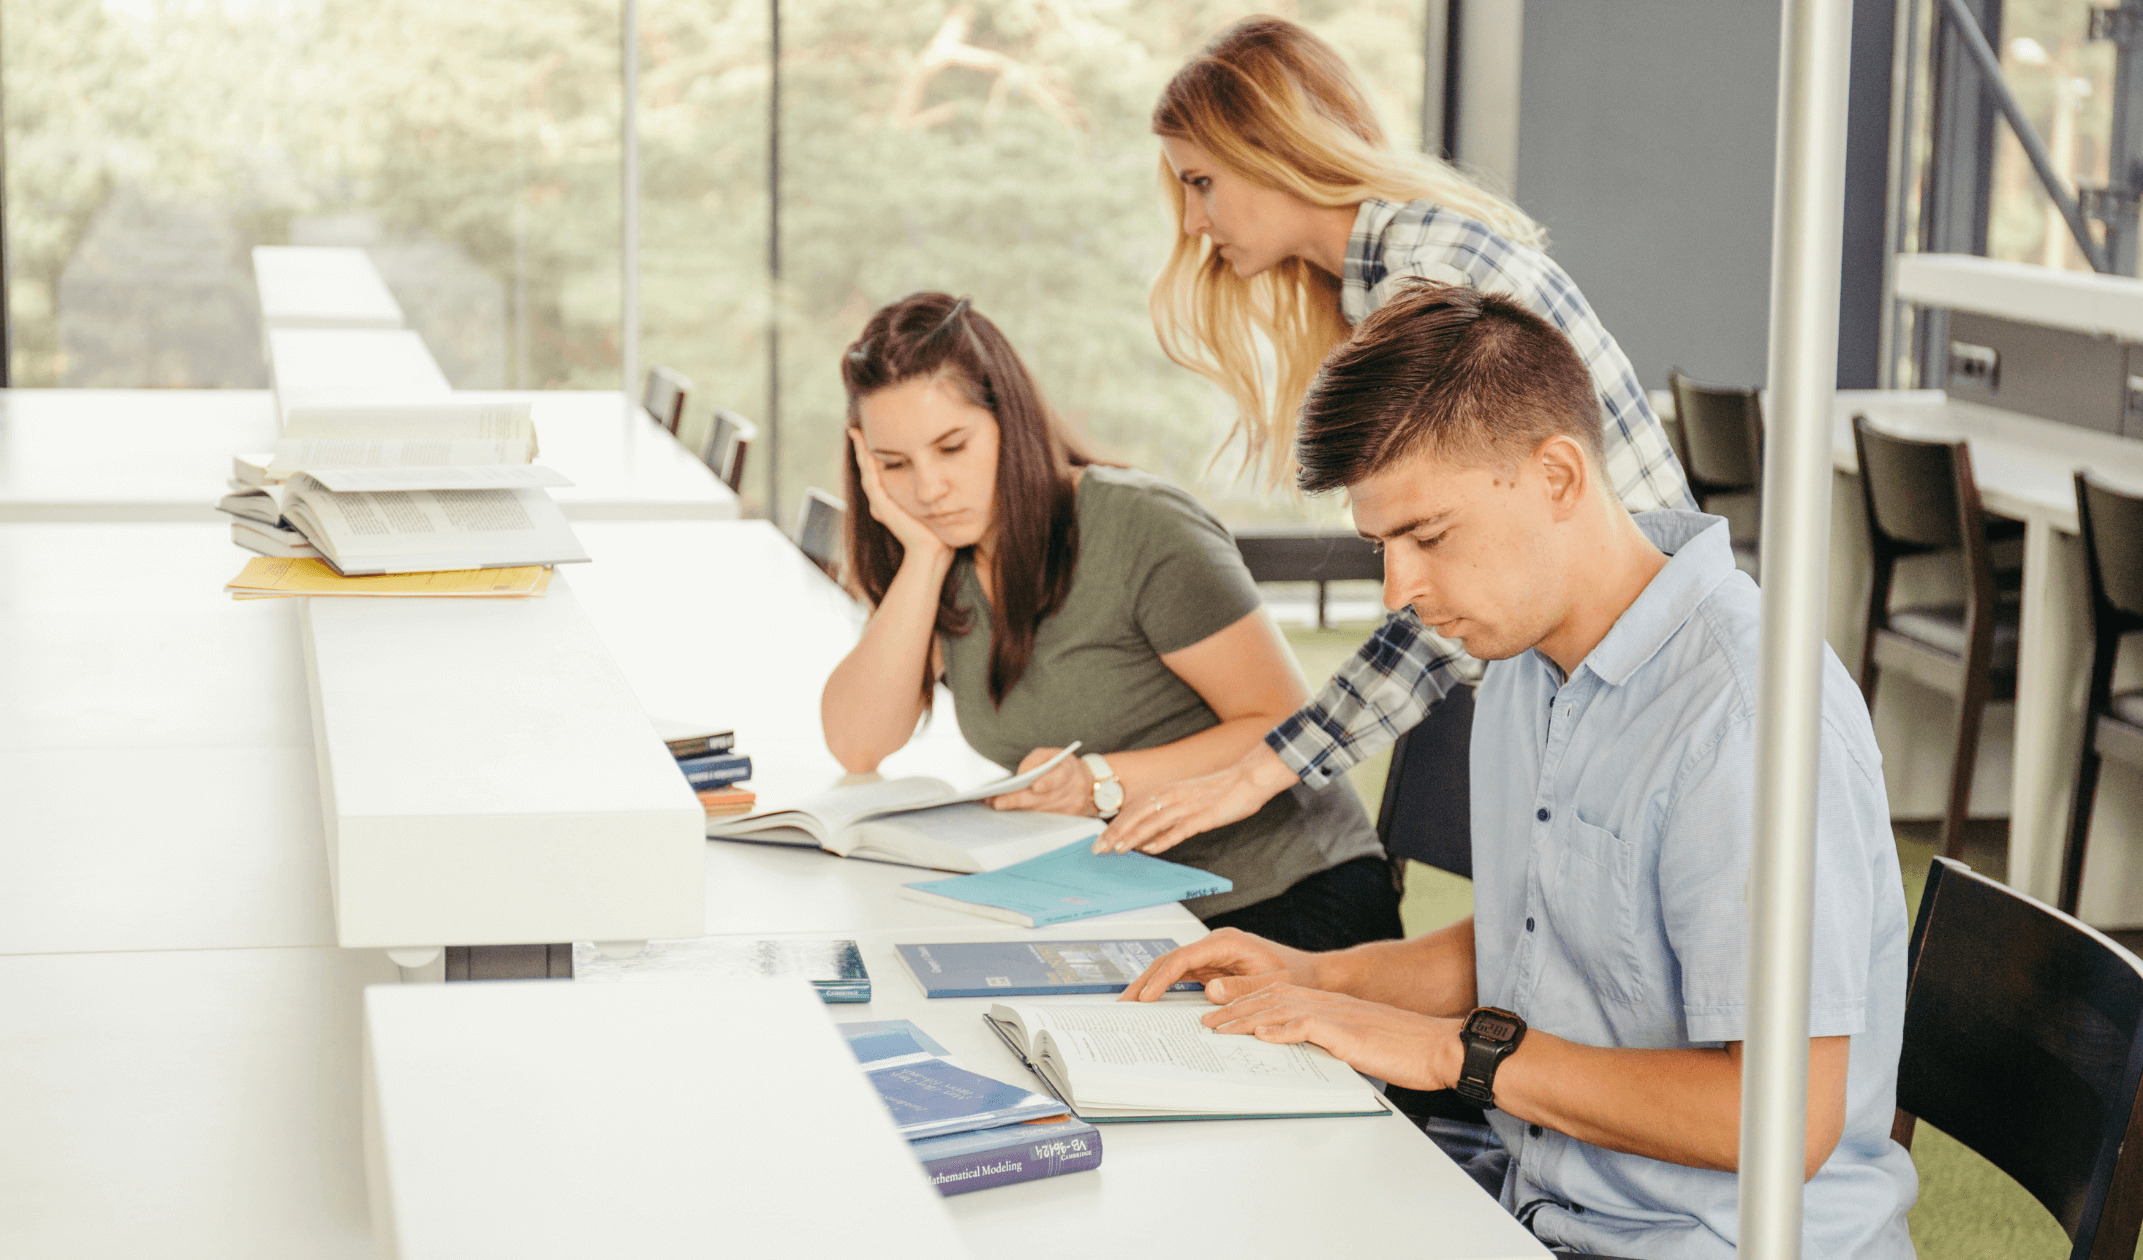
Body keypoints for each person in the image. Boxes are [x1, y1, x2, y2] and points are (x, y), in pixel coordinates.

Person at [1123, 282, 1917, 1259]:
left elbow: (1779, 1121)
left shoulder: (1743, 717)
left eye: (1427, 535)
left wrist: (1445, 1052)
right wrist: (1317, 979)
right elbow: (1544, 934)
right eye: (1381, 545)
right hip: (1528, 1200)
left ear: (1555, 477)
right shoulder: (1519, 664)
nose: (1397, 590)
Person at [1101, 15, 1694, 859]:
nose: (1195, 223)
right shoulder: (1388, 272)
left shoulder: (1426, 274)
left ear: (1273, 148)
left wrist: (1266, 767)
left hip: (1636, 681)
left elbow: (1452, 574)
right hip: (1589, 672)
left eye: (1201, 182)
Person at [818, 291, 1394, 950]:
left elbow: (1288, 723)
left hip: (1283, 898)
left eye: (952, 447)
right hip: (1115, 898)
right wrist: (921, 556)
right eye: (894, 465)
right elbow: (857, 744)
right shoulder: (941, 554)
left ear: (1012, 421)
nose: (928, 488)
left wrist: (1099, 781)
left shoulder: (1141, 526)